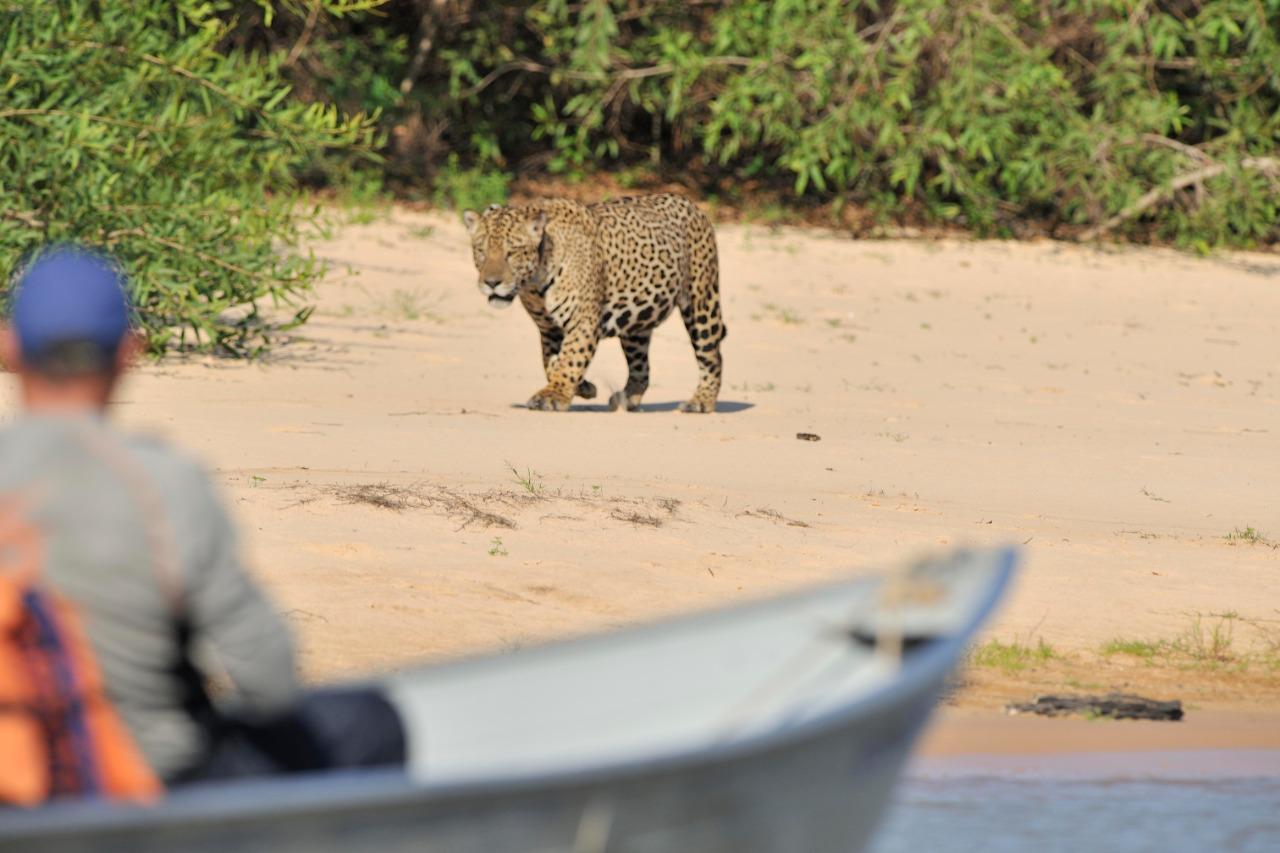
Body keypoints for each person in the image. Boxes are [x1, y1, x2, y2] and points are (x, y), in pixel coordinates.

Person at [0, 246, 403, 794]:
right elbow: (271, 683)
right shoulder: (163, 484)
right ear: (128, 353)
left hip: (15, 783)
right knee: (371, 724)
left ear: (9, 346)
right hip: (142, 781)